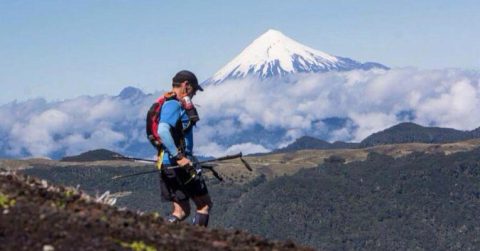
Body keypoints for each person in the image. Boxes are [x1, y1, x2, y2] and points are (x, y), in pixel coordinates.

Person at [157, 70, 212, 227]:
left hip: (169, 164)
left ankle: (160, 234)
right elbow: (162, 130)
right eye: (194, 90)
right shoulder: (173, 104)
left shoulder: (171, 103)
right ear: (186, 85)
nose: (194, 94)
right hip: (178, 164)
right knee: (204, 205)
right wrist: (179, 157)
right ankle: (196, 243)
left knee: (182, 211)